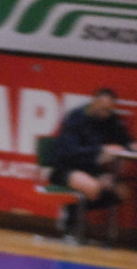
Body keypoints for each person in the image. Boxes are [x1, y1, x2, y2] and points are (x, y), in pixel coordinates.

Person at [49, 87, 132, 235]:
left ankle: (73, 210)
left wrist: (130, 146)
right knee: (93, 187)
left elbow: (125, 140)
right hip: (66, 167)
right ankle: (71, 223)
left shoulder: (110, 119)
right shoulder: (75, 118)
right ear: (94, 102)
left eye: (108, 110)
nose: (105, 113)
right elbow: (69, 152)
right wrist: (100, 150)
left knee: (122, 192)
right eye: (102, 108)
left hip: (92, 169)